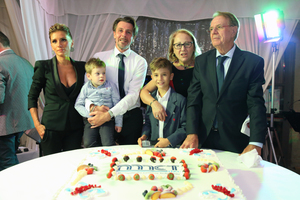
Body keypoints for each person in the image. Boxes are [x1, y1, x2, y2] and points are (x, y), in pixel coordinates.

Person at [180, 11, 267, 155]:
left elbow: (255, 104)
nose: (213, 32)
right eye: (211, 29)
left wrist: (255, 142)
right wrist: (191, 132)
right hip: (203, 138)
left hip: (235, 139)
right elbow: (193, 100)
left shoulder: (252, 62)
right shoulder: (201, 61)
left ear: (233, 30)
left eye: (219, 27)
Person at [28, 23, 86, 156]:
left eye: (63, 39)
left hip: (75, 127)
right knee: (50, 169)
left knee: (71, 165)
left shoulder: (82, 67)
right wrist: (37, 124)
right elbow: (32, 97)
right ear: (51, 45)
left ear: (71, 42)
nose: (59, 44)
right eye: (54, 41)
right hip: (50, 128)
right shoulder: (44, 66)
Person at [89, 16, 147, 145]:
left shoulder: (140, 62)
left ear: (134, 36)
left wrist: (109, 114)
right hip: (103, 114)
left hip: (130, 116)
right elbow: (88, 88)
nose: (124, 35)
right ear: (114, 34)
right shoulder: (99, 58)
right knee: (102, 156)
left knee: (129, 158)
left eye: (128, 32)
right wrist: (95, 109)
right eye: (120, 31)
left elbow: (133, 95)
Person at [140, 29, 201, 121]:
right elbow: (144, 92)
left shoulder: (203, 67)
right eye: (178, 45)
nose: (183, 49)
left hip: (199, 119)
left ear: (194, 46)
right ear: (172, 49)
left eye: (187, 44)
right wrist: (154, 104)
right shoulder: (168, 70)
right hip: (176, 122)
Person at [0, 31, 34, 171]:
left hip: (5, 124)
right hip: (23, 122)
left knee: (6, 164)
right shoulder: (25, 63)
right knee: (10, 158)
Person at [138, 57, 186, 148]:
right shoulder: (151, 99)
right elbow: (147, 122)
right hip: (154, 146)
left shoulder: (180, 100)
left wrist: (169, 141)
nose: (160, 79)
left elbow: (185, 127)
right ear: (152, 77)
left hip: (174, 148)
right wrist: (144, 135)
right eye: (156, 75)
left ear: (171, 76)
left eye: (164, 74)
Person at [75, 58, 122, 147]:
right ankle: (96, 158)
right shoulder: (85, 88)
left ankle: (110, 158)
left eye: (103, 73)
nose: (101, 76)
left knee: (107, 142)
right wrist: (89, 115)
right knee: (88, 142)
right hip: (91, 120)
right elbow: (78, 105)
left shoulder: (111, 86)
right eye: (97, 73)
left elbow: (118, 105)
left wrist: (118, 123)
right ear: (89, 76)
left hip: (107, 119)